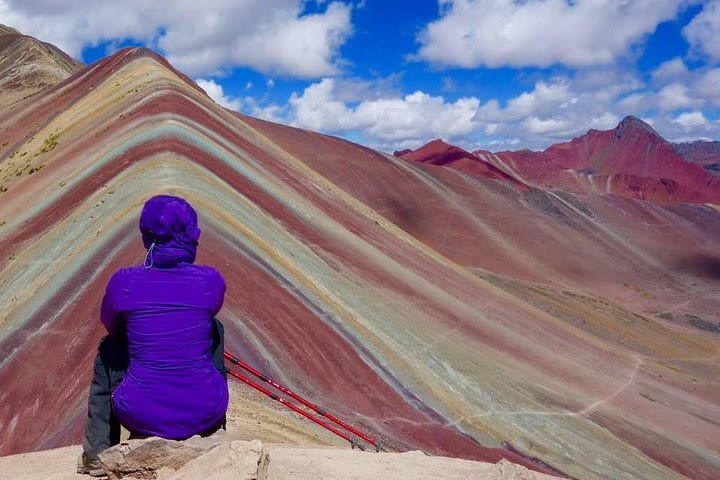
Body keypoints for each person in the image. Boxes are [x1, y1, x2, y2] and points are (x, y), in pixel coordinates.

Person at [77, 195, 229, 476]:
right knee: (214, 327)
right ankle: (216, 429)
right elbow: (210, 309)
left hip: (140, 414)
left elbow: (111, 324)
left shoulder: (125, 281)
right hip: (206, 412)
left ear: (146, 236)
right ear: (190, 236)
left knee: (110, 346)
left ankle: (98, 453)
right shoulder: (210, 280)